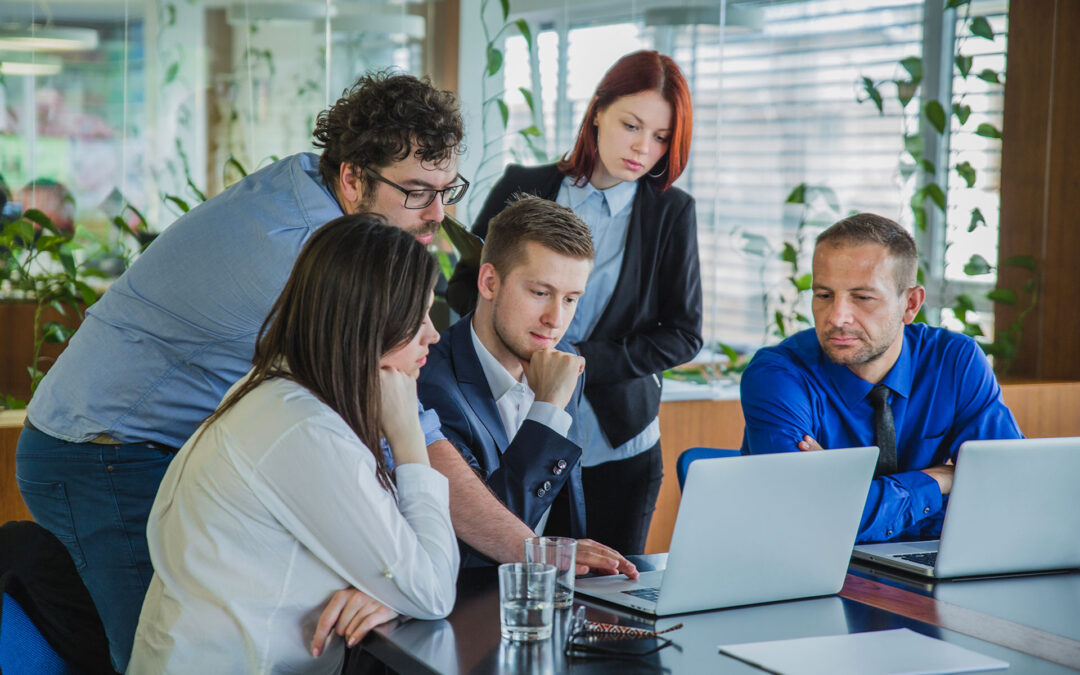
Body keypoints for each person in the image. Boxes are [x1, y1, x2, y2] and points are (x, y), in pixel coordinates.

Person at [15, 71, 571, 670]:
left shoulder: (326, 201)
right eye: (415, 191)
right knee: (158, 650)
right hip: (102, 447)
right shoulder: (305, 258)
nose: (437, 214)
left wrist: (392, 583)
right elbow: (412, 434)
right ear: (354, 177)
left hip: (172, 439)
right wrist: (531, 551)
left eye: (446, 189)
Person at [127, 215, 458, 673]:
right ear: (368, 323)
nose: (433, 333)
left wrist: (392, 592)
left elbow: (412, 575)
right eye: (417, 316)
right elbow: (433, 589)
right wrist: (409, 442)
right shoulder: (302, 429)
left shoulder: (284, 394)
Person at [446, 50, 703, 555]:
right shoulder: (525, 185)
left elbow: (684, 333)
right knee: (510, 580)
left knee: (609, 604)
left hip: (617, 443)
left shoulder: (671, 213)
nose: (642, 148)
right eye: (632, 125)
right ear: (598, 111)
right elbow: (464, 285)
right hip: (515, 430)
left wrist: (578, 362)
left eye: (661, 138)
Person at [739, 213, 1023, 543]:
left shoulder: (954, 361)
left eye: (862, 297)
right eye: (824, 295)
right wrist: (939, 480)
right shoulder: (778, 375)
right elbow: (807, 517)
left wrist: (845, 494)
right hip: (797, 575)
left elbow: (1009, 488)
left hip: (925, 571)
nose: (837, 317)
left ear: (911, 304)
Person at [419, 195, 637, 576]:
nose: (556, 319)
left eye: (570, 299)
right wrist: (549, 409)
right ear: (489, 282)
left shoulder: (563, 359)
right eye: (540, 293)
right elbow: (485, 541)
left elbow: (559, 511)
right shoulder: (431, 383)